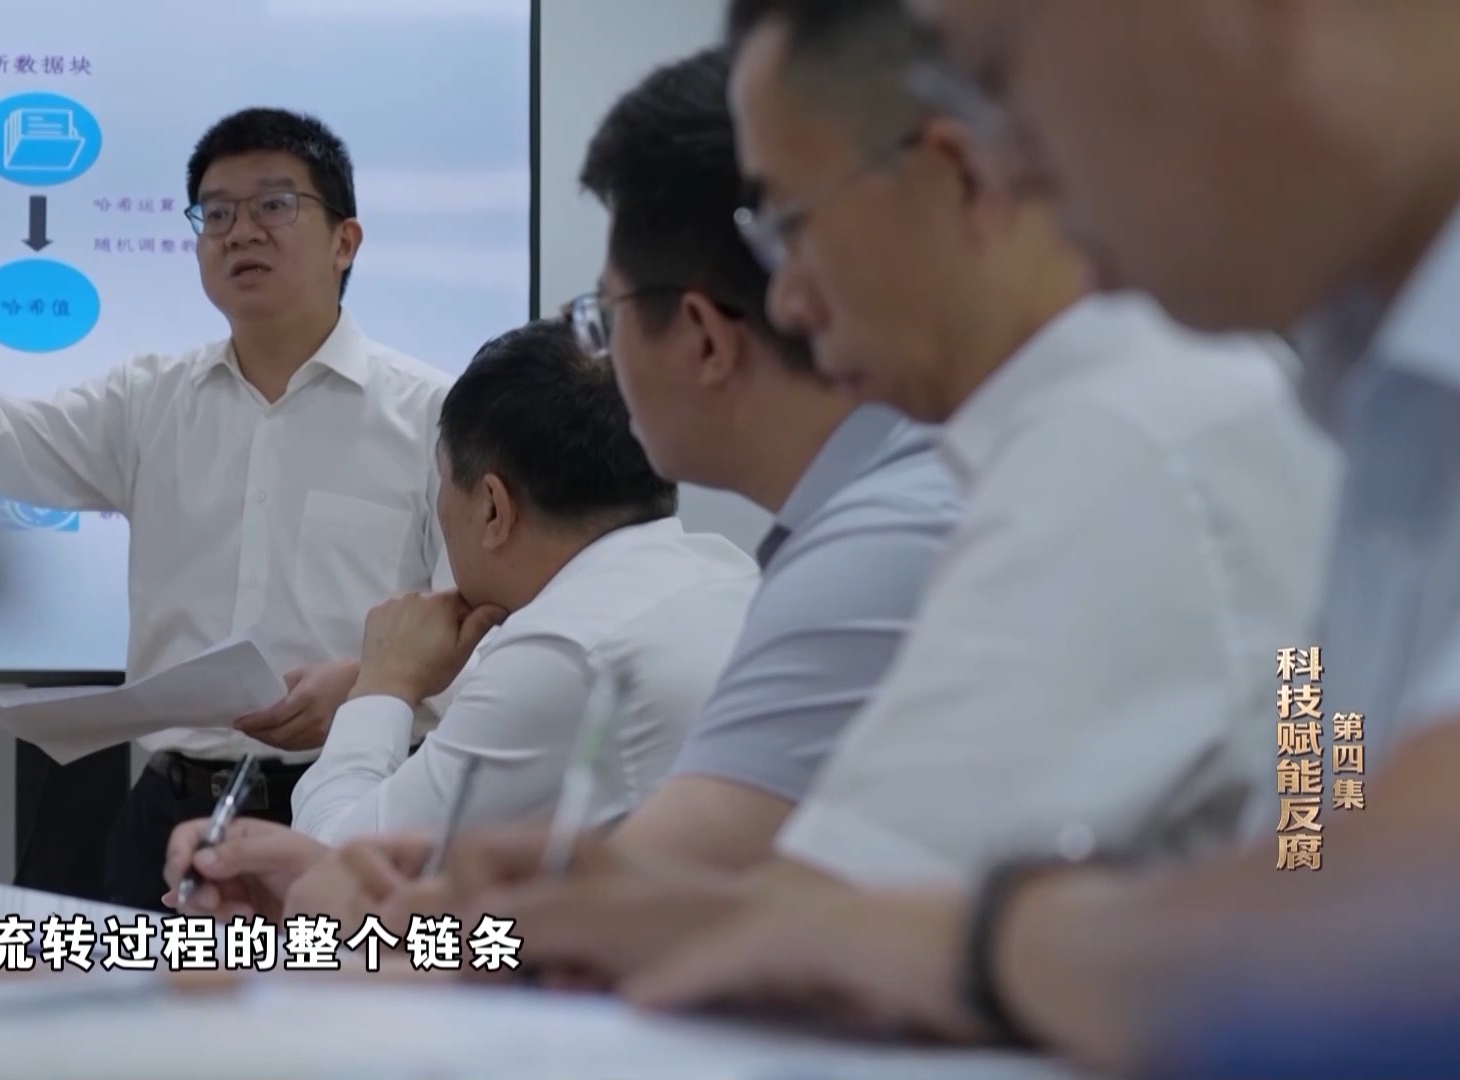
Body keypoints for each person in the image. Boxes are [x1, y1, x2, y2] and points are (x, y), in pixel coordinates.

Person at [570, 0, 1460, 1075]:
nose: (1024, 162)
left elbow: (1396, 920)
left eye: (1003, 78)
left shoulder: (1131, 434)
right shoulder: (1368, 413)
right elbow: (1327, 838)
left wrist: (986, 941)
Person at [190, 45, 967, 928]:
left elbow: (356, 891)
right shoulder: (758, 558)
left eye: (605, 317)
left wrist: (383, 689)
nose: (603, 363)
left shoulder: (588, 640)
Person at [0, 107, 455, 911]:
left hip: (358, 815)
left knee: (350, 1000)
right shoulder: (151, 402)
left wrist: (372, 686)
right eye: (216, 212)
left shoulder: (433, 415)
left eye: (274, 205)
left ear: (346, 241)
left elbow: (478, 621)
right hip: (171, 817)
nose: (241, 231)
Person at [159, 317, 759, 910]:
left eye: (443, 483)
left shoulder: (562, 651)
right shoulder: (726, 574)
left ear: (494, 508)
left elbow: (342, 872)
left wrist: (384, 684)